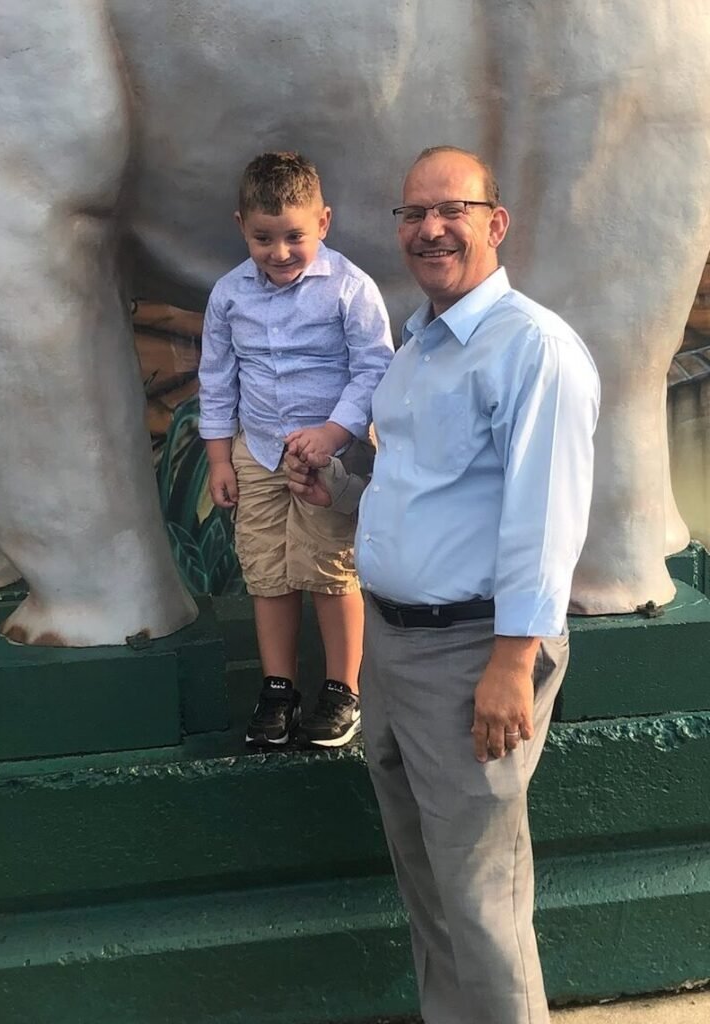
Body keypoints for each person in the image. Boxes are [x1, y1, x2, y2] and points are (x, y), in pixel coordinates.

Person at [286, 146, 600, 1023]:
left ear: (495, 223)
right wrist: (341, 492)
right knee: (427, 886)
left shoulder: (533, 349)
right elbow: (421, 486)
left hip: (475, 652)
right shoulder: (419, 343)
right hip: (394, 648)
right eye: (414, 213)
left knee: (480, 900)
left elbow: (546, 519)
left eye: (451, 210)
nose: (430, 229)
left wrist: (513, 663)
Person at [198, 151, 394, 749]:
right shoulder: (229, 295)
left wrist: (333, 432)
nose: (279, 252)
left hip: (327, 460)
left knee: (329, 568)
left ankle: (343, 689)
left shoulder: (350, 288)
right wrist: (218, 458)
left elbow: (375, 368)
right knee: (268, 571)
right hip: (256, 452)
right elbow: (216, 379)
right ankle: (278, 688)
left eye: (294, 237)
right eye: (263, 238)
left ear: (323, 223)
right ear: (242, 227)